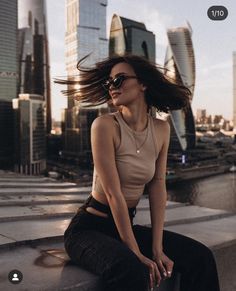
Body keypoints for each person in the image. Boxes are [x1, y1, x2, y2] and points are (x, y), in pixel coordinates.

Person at [58, 54, 220, 291]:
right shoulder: (104, 126)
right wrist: (135, 252)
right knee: (131, 269)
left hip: (125, 228)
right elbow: (113, 194)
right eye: (109, 82)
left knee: (201, 258)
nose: (112, 87)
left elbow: (157, 186)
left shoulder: (161, 129)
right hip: (89, 229)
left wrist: (157, 248)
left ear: (143, 84)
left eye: (120, 79)